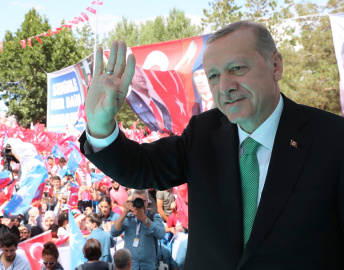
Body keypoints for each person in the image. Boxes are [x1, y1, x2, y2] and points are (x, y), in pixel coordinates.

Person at [80, 21, 344, 269]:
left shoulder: (334, 139)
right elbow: (141, 167)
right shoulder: (203, 133)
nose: (225, 86)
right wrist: (100, 126)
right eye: (214, 76)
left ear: (275, 66)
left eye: (237, 68)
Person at [110, 190, 164, 270]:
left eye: (142, 201)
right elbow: (113, 232)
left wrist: (144, 218)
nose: (140, 203)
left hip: (149, 266)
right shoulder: (128, 218)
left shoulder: (154, 217)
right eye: (137, 201)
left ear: (147, 202)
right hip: (131, 266)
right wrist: (124, 212)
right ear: (132, 201)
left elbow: (161, 234)